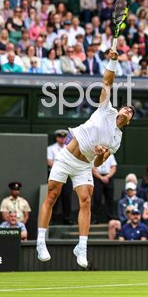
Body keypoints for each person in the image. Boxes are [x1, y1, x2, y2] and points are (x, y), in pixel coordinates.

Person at [37, 48, 135, 268]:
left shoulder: (116, 139)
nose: (127, 110)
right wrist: (113, 61)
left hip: (84, 166)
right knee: (52, 195)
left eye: (130, 112)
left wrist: (100, 155)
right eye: (126, 107)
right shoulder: (106, 108)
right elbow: (107, 81)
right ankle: (41, 241)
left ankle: (82, 246)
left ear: (128, 120)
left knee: (86, 201)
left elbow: (100, 164)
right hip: (66, 157)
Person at [46, 129, 73, 225]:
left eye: (64, 137)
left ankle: (67, 218)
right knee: (54, 196)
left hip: (67, 175)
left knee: (67, 197)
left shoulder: (69, 148)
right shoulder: (51, 148)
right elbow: (49, 162)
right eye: (60, 137)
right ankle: (52, 218)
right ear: (57, 138)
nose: (62, 139)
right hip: (55, 175)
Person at [92, 152, 117, 223]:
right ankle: (95, 218)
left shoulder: (110, 155)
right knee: (97, 198)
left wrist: (107, 176)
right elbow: (93, 168)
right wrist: (101, 177)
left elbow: (114, 167)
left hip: (108, 177)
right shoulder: (94, 155)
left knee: (109, 198)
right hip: (97, 178)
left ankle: (110, 217)